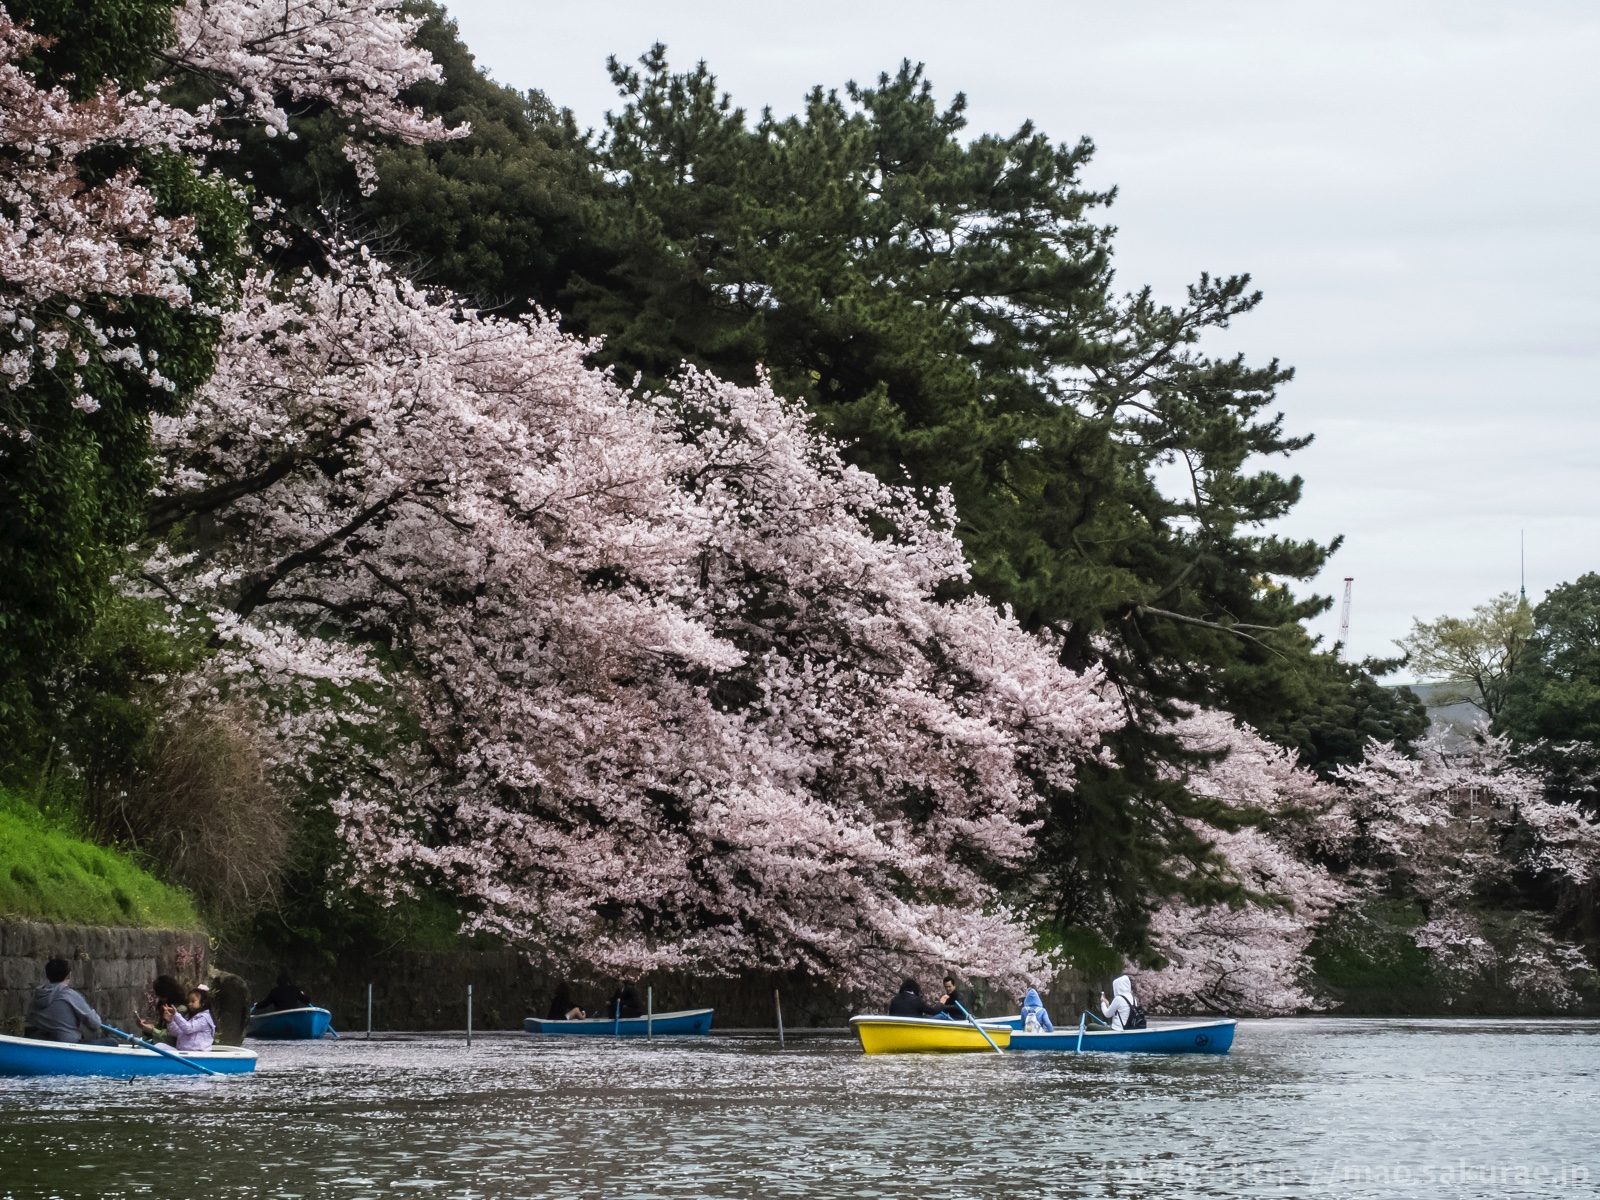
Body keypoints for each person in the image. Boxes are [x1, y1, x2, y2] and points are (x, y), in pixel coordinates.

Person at [25, 958, 115, 1044]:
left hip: (39, 1040)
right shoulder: (71, 995)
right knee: (112, 1042)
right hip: (67, 1043)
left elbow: (30, 1017)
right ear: (69, 975)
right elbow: (94, 1023)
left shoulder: (37, 995)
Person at [165, 987, 216, 1052]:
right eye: (189, 1001)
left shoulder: (204, 1018)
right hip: (184, 1053)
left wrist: (176, 1014)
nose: (189, 1004)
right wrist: (170, 1021)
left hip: (198, 1055)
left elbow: (188, 1028)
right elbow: (178, 1033)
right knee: (159, 1046)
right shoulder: (188, 1017)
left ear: (203, 1003)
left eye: (193, 1001)